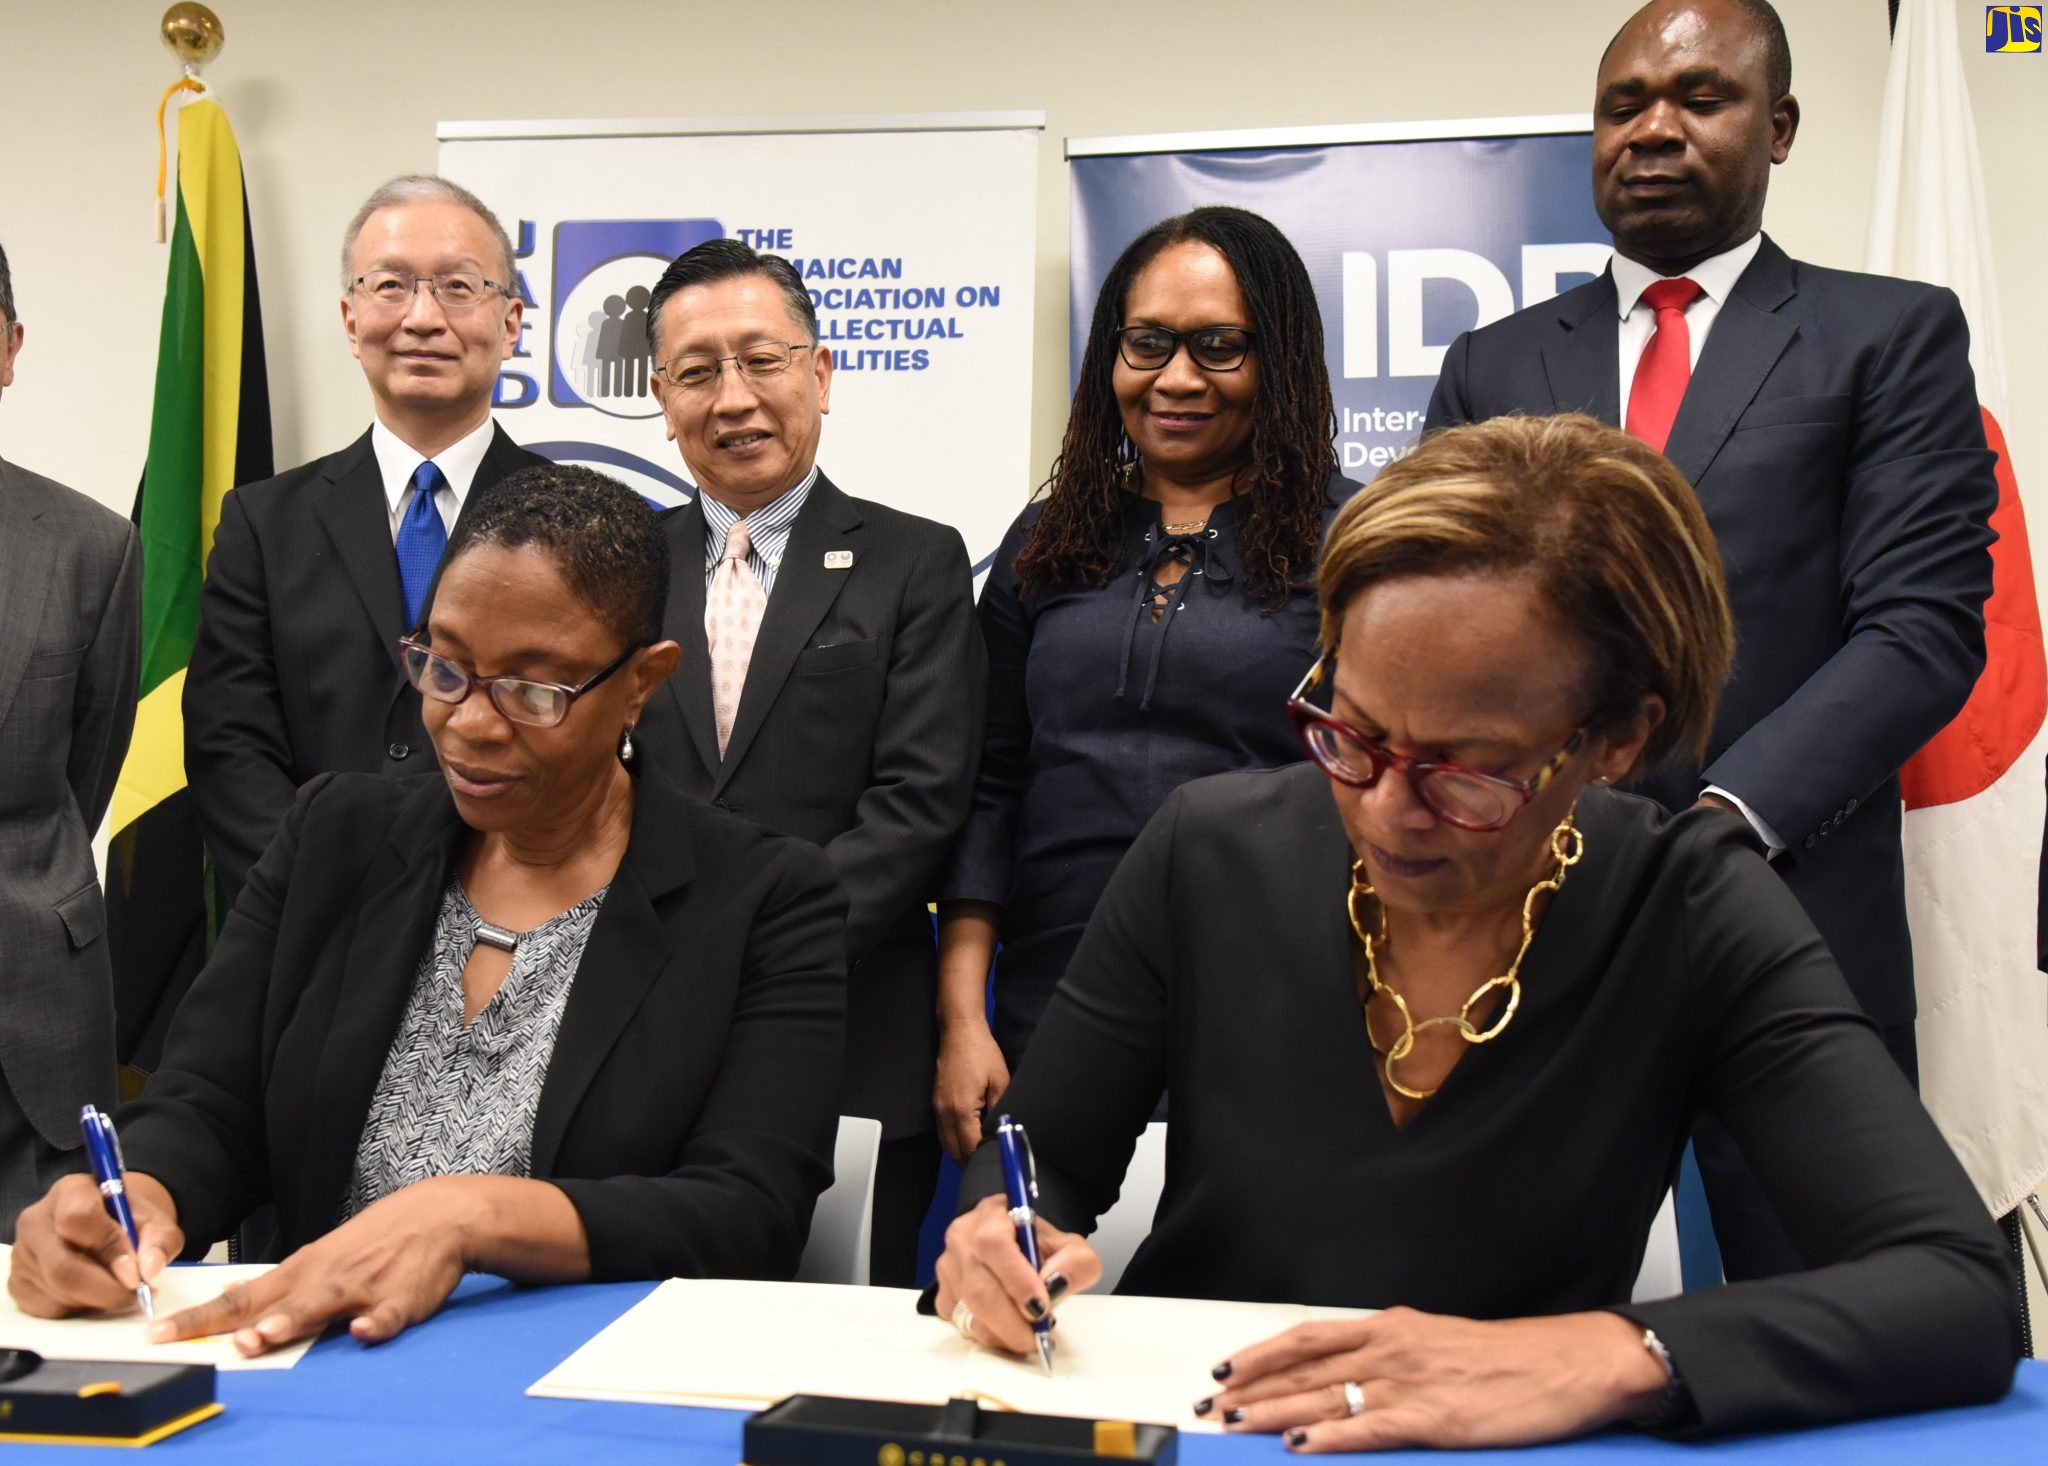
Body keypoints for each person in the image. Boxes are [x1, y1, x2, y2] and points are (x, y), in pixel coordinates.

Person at [932, 415, 2017, 1447]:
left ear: (1618, 739)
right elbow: (1043, 1156)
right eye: (1349, 731)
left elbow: (1952, 1288)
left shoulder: (1687, 903)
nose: (1384, 808)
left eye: (1467, 772)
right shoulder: (1205, 849)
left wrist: (1610, 1351)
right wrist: (996, 1232)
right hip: (1211, 1426)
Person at [8, 466, 848, 1356]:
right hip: (315, 1361)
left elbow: (747, 1210)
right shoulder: (338, 837)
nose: (469, 723)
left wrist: (471, 1214)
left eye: (534, 690)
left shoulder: (765, 899)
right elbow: (212, 1103)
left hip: (588, 1377)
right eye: (445, 667)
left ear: (643, 681)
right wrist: (139, 1195)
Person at [1421, 0, 1998, 1279]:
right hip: (1526, 926)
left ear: (1778, 127)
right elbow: (1434, 633)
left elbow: (1918, 632)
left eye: (1698, 97)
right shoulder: (1491, 361)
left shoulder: (1887, 337)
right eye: (1623, 104)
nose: (1652, 129)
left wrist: (1725, 820)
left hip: (1783, 915)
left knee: (1827, 1324)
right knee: (1493, 1318)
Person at [935, 207, 1351, 1163]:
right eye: (1148, 343)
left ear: (1278, 359)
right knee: (1011, 1279)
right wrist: (965, 1018)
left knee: (1237, 1304)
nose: (1176, 378)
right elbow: (988, 791)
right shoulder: (1046, 541)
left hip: (1280, 1006)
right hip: (1056, 1000)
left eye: (1219, 347)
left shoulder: (1355, 545)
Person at [634, 239, 984, 1288]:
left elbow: (920, 803)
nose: (732, 397)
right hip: (640, 1029)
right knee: (650, 1316)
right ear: (661, 397)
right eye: (697, 371)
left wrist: (753, 949)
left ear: (820, 374)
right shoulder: (615, 565)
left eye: (761, 360)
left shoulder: (911, 560)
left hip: (850, 1024)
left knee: (848, 1336)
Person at [185, 174, 552, 905]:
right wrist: (319, 896)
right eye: (391, 285)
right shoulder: (263, 523)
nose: (422, 317)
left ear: (510, 323)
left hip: (518, 923)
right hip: (308, 924)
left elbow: (590, 737)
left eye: (457, 286)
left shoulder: (575, 518)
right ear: (351, 321)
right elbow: (230, 746)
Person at [0, 242, 141, 1238]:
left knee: (45, 1329)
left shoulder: (93, 546)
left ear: (9, 348)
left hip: (33, 1026)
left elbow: (85, 773)